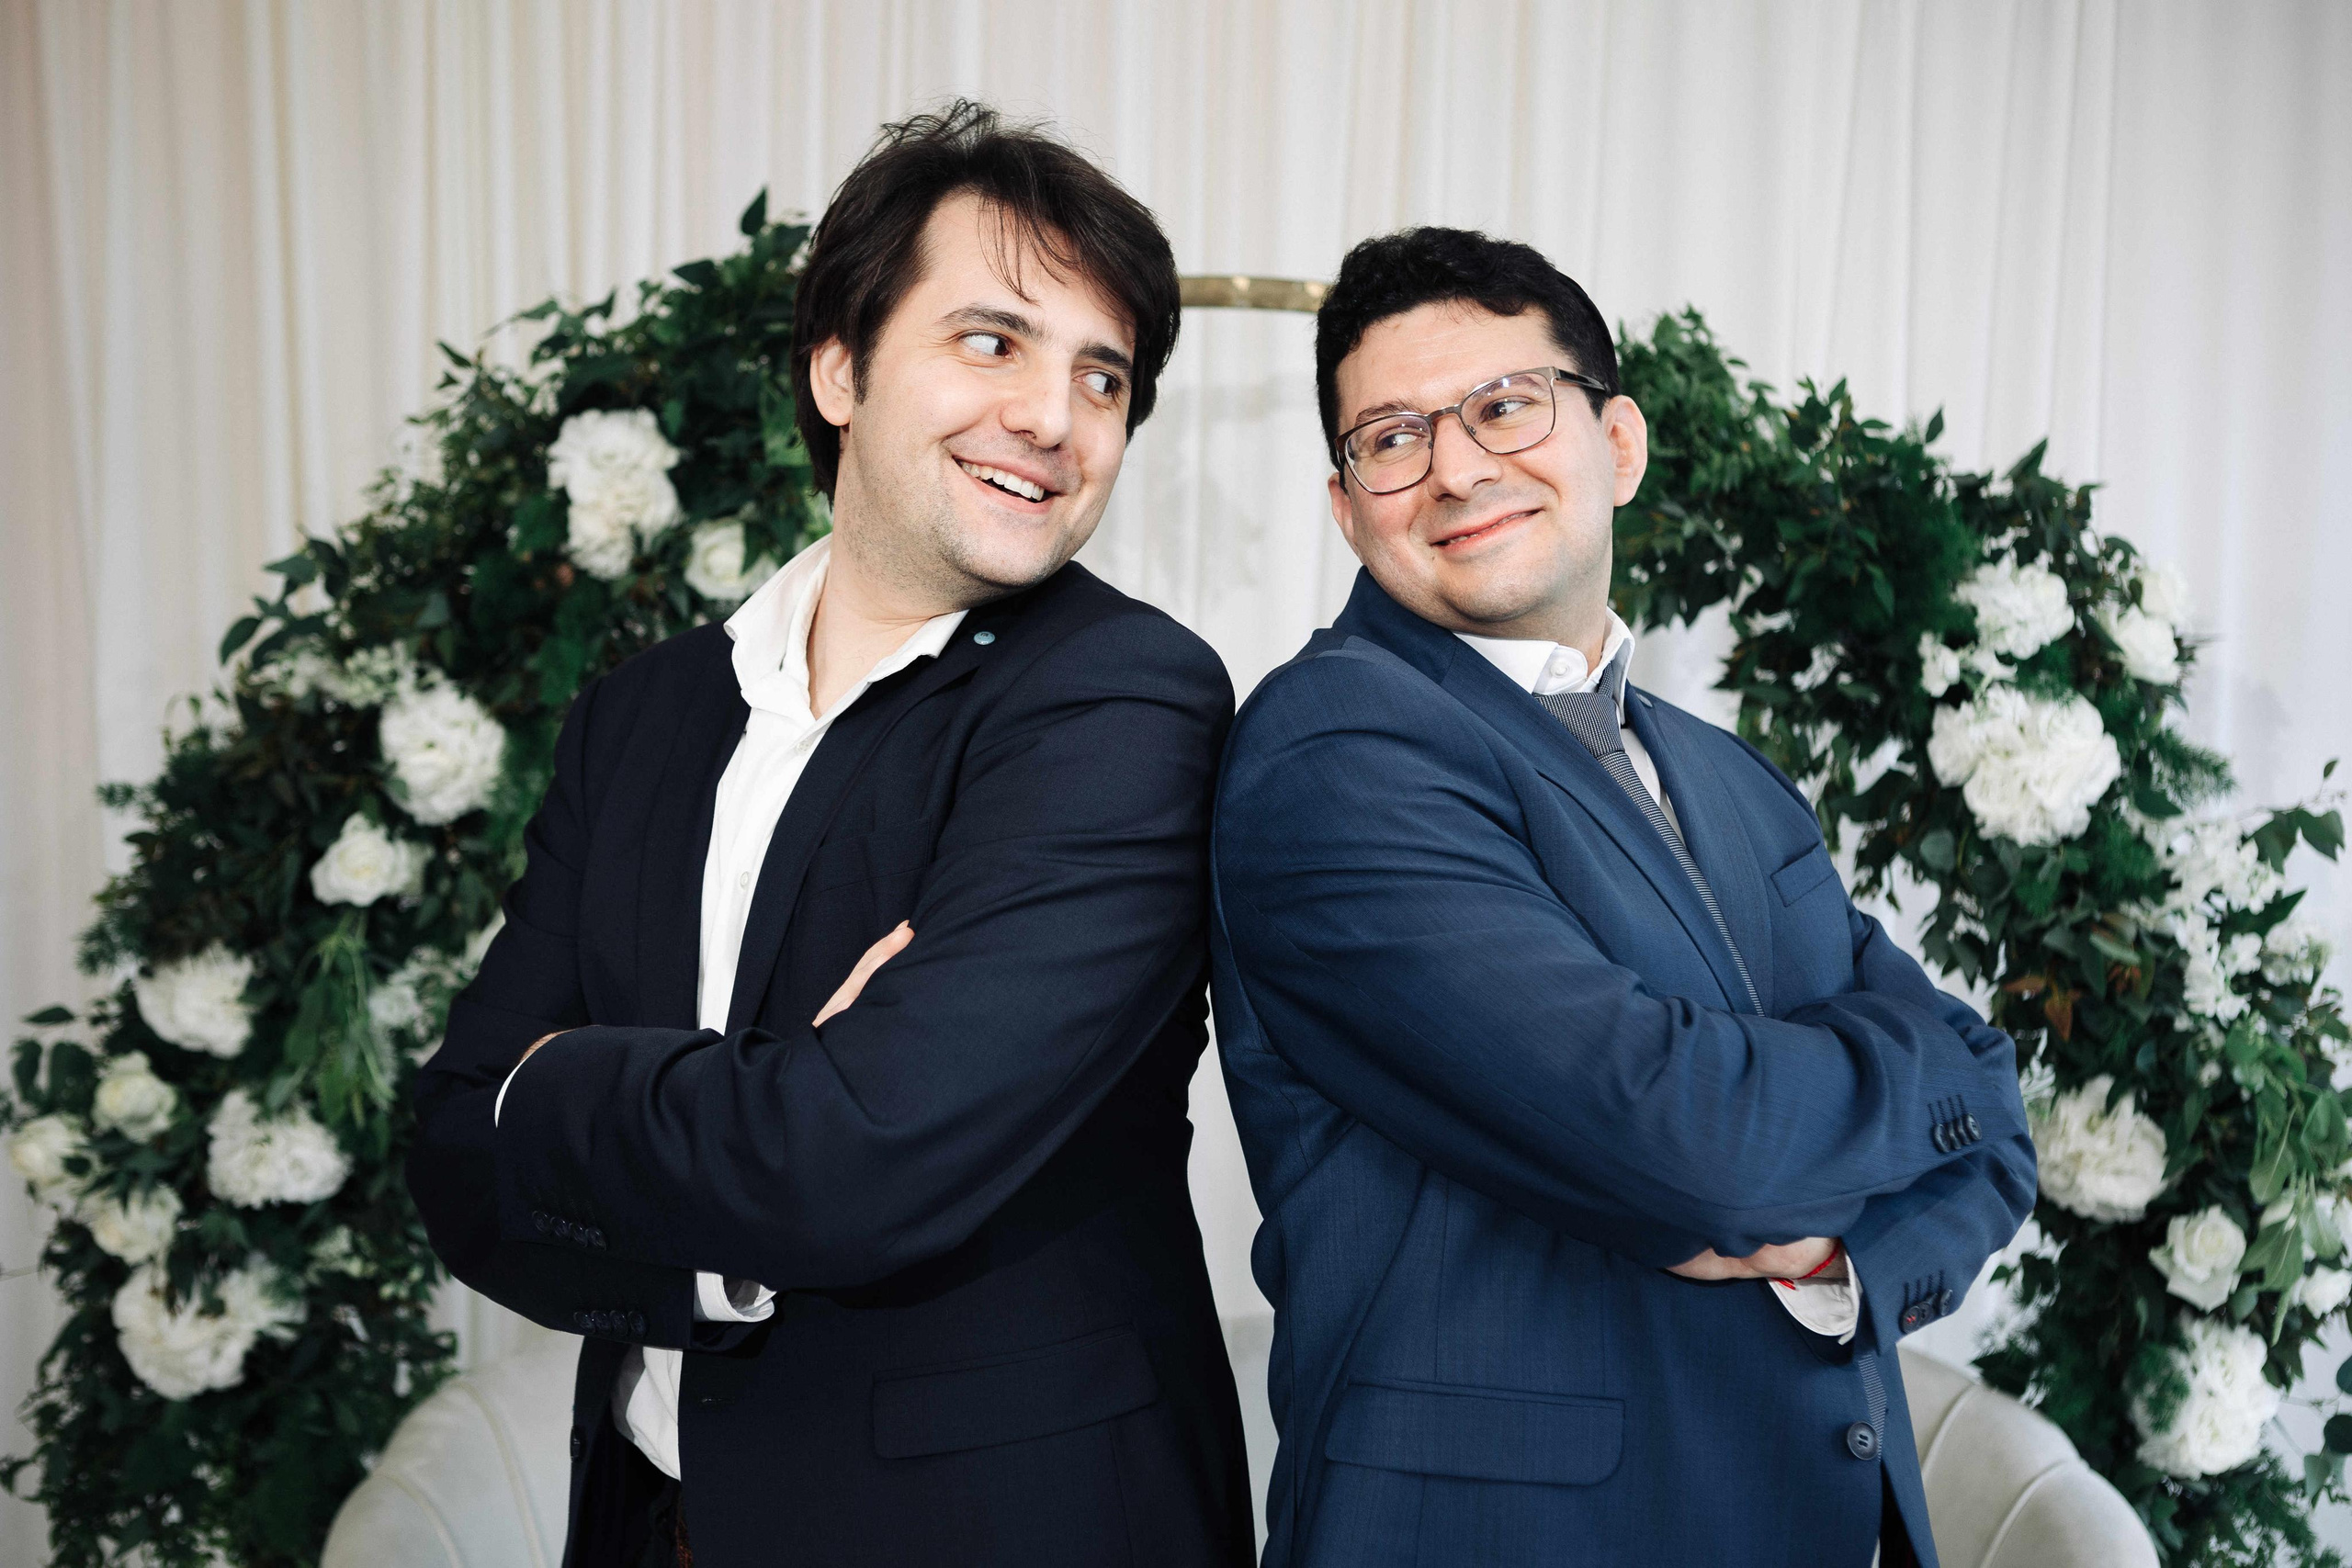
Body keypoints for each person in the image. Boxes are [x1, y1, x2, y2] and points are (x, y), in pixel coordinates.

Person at [408, 102, 1252, 1568]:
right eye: (993, 342)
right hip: (648, 1519)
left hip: (995, 1532)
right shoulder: (641, 717)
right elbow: (447, 1148)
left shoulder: (1124, 703)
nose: (1053, 418)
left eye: (1101, 377)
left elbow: (858, 1157)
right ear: (842, 369)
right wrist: (771, 1102)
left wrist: (551, 1090)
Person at [1209, 226, 2035, 1568]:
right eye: (1392, 438)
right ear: (1348, 504)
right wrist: (1886, 1082)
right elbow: (1696, 1141)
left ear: (1620, 444)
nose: (1458, 467)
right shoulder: (1334, 752)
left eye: (1503, 406)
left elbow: (1993, 1124)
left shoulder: (1729, 778)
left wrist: (1838, 1271)